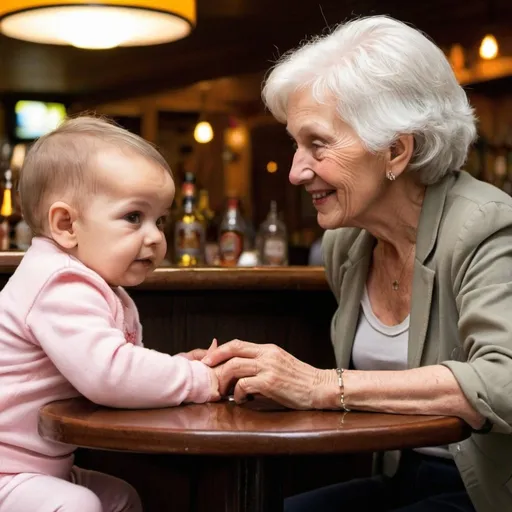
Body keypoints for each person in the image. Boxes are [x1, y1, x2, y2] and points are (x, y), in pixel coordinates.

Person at [202, 15, 512, 512]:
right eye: (295, 144)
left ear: (395, 149)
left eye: (317, 144)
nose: (296, 171)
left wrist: (319, 385)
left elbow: (504, 382)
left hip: (488, 490)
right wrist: (259, 382)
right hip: (403, 476)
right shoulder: (348, 244)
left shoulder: (487, 226)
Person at [0, 116, 220, 512]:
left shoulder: (89, 282)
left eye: (161, 220)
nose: (154, 236)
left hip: (35, 469)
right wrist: (199, 379)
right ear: (66, 224)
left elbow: (118, 368)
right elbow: (110, 374)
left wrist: (175, 365)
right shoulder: (59, 283)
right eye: (134, 217)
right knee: (80, 506)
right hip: (6, 472)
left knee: (121, 498)